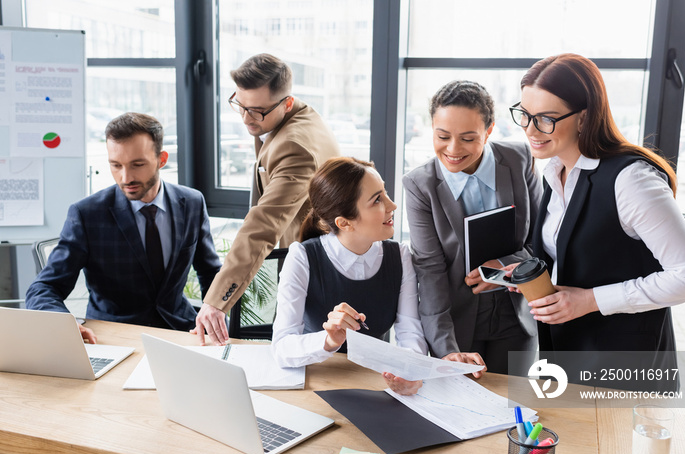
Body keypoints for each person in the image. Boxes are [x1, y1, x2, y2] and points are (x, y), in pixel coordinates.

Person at [509, 53, 685, 355]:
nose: (530, 130)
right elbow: (581, 255)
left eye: (546, 118)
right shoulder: (555, 169)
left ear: (584, 116)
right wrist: (523, 273)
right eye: (525, 114)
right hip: (568, 355)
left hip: (624, 362)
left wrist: (590, 300)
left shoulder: (631, 179)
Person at [271, 157, 485, 395]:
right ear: (344, 222)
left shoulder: (400, 255)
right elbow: (281, 348)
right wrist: (329, 341)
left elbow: (409, 331)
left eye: (385, 193)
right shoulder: (302, 256)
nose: (392, 205)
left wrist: (411, 372)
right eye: (377, 200)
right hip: (315, 382)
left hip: (370, 382)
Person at [25, 112, 222, 343]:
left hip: (179, 331)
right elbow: (44, 287)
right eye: (116, 165)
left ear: (162, 159)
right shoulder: (87, 214)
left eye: (137, 164)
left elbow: (210, 271)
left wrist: (216, 311)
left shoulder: (192, 202)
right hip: (111, 337)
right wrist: (63, 325)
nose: (126, 177)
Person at [195, 53, 341, 345]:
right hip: (311, 261)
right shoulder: (286, 116)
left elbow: (263, 223)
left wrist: (215, 301)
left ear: (286, 102)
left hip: (320, 276)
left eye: (257, 111)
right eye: (241, 105)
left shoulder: (295, 146)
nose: (247, 118)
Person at [403, 80, 542, 375]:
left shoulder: (520, 160)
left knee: (514, 407)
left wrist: (505, 268)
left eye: (468, 138)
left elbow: (541, 242)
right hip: (456, 323)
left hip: (516, 316)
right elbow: (430, 271)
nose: (453, 149)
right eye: (442, 136)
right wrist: (447, 349)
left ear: (489, 131)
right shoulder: (419, 185)